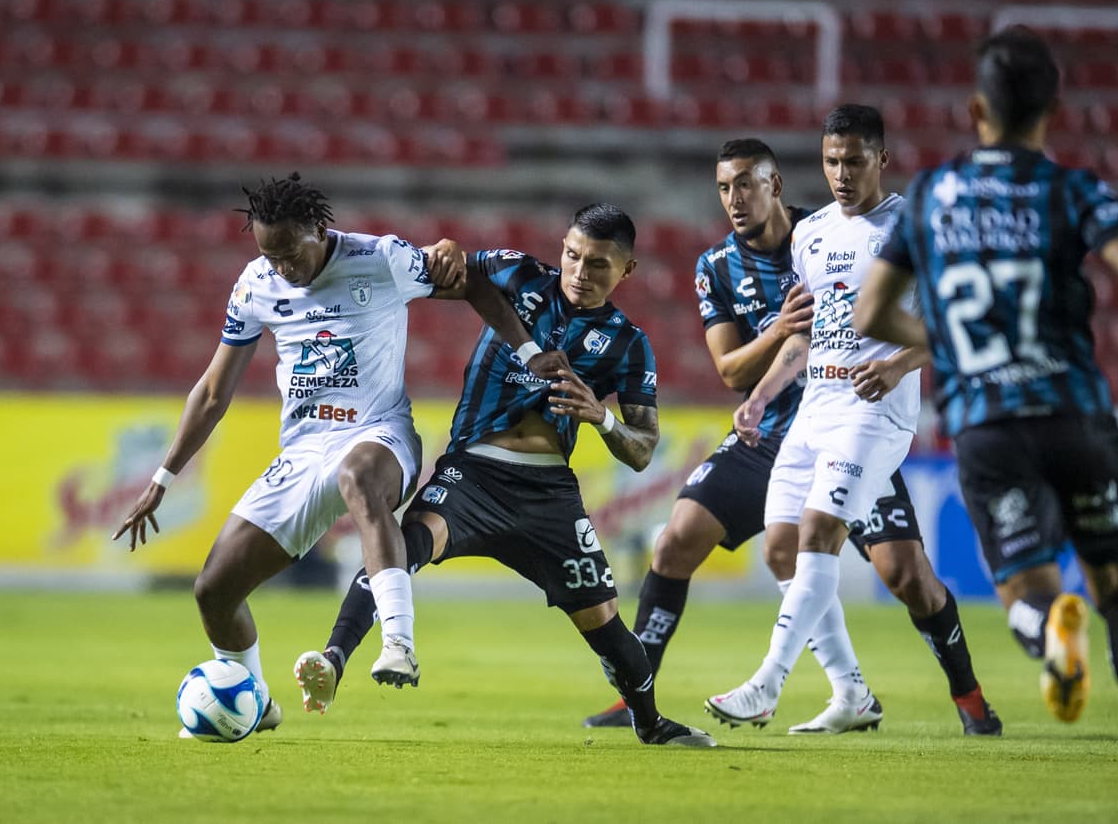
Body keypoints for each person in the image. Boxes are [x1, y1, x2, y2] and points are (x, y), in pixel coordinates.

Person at [853, 28, 1118, 817]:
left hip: (988, 423)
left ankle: (1047, 627)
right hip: (1074, 414)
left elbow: (870, 312)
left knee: (1025, 590)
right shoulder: (1070, 189)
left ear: (977, 110)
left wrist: (955, 344)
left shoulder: (931, 194)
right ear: (1053, 111)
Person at [584, 137, 1000, 735]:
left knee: (906, 575)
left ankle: (969, 696)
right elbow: (731, 371)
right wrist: (776, 333)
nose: (734, 199)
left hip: (853, 424)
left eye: (745, 185)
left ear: (774, 185)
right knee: (677, 540)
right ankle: (637, 689)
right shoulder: (716, 266)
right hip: (773, 434)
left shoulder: (828, 233)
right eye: (724, 188)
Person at [293, 203, 716, 747]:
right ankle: (333, 659)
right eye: (573, 255)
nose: (580, 272)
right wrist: (443, 251)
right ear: (562, 247)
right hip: (473, 473)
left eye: (598, 265)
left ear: (627, 270)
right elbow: (445, 273)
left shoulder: (628, 343)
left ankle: (650, 722)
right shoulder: (517, 274)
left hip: (548, 494)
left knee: (605, 626)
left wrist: (601, 416)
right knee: (404, 543)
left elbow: (641, 449)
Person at [113, 172, 468, 735]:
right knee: (214, 591)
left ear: (318, 231)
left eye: (290, 253)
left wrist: (452, 252)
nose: (281, 266)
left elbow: (466, 275)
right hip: (304, 451)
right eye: (269, 255)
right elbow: (213, 392)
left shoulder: (378, 259)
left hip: (378, 432)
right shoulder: (255, 284)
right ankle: (255, 703)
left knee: (359, 477)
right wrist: (162, 476)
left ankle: (399, 642)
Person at [703, 105, 999, 734]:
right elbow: (807, 334)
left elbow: (961, 323)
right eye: (831, 161)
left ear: (881, 159)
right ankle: (852, 696)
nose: (841, 174)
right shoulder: (809, 234)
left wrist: (898, 365)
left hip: (876, 411)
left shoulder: (913, 227)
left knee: (822, 535)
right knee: (780, 549)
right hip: (816, 407)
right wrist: (762, 394)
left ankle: (767, 684)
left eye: (854, 161)